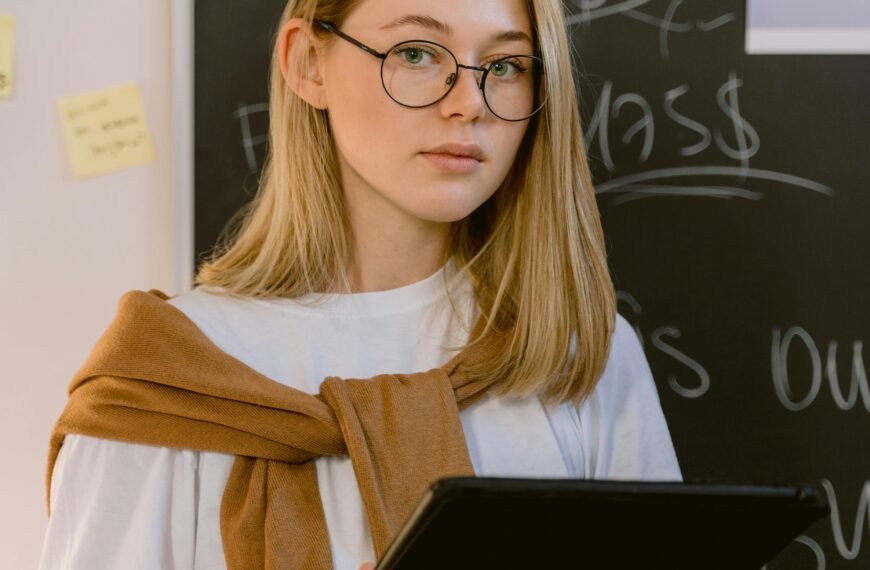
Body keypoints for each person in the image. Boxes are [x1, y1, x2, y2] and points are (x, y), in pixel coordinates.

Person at [39, 0, 682, 568]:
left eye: (507, 65)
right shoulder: (158, 387)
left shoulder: (577, 356)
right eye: (416, 52)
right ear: (308, 63)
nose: (470, 102)